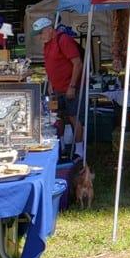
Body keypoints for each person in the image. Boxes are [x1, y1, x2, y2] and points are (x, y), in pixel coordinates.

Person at [32, 17, 85, 161]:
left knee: (74, 117)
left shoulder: (64, 40)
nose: (39, 36)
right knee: (57, 117)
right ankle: (60, 147)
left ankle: (80, 151)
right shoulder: (47, 44)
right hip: (56, 87)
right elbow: (50, 64)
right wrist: (50, 83)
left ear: (50, 29)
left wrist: (72, 86)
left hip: (69, 86)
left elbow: (77, 63)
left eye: (41, 33)